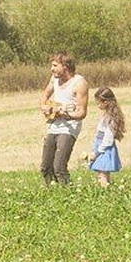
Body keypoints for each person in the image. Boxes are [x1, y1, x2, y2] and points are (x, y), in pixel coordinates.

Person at [39, 52, 89, 185]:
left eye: (55, 65)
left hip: (69, 128)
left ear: (65, 66)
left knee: (59, 167)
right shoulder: (54, 79)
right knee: (45, 167)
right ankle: (52, 193)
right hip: (53, 125)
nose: (52, 68)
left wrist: (66, 114)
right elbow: (45, 95)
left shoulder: (79, 83)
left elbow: (82, 113)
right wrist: (44, 107)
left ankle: (68, 194)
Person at [88, 86, 125, 187]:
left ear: (105, 102)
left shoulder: (110, 118)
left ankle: (104, 191)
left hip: (104, 149)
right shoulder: (106, 116)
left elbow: (108, 139)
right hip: (100, 147)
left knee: (102, 174)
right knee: (102, 173)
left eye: (98, 102)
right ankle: (106, 190)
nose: (98, 105)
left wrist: (97, 152)